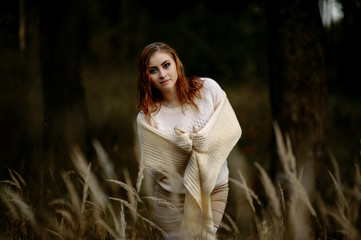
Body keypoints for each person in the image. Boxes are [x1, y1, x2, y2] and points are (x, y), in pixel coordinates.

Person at [135, 42, 242, 240]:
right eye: (153, 70)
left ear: (177, 64)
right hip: (171, 198)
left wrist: (202, 142)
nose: (162, 74)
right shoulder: (148, 117)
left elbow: (231, 131)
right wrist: (182, 147)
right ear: (146, 76)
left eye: (166, 65)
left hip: (213, 189)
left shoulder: (207, 89)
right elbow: (154, 167)